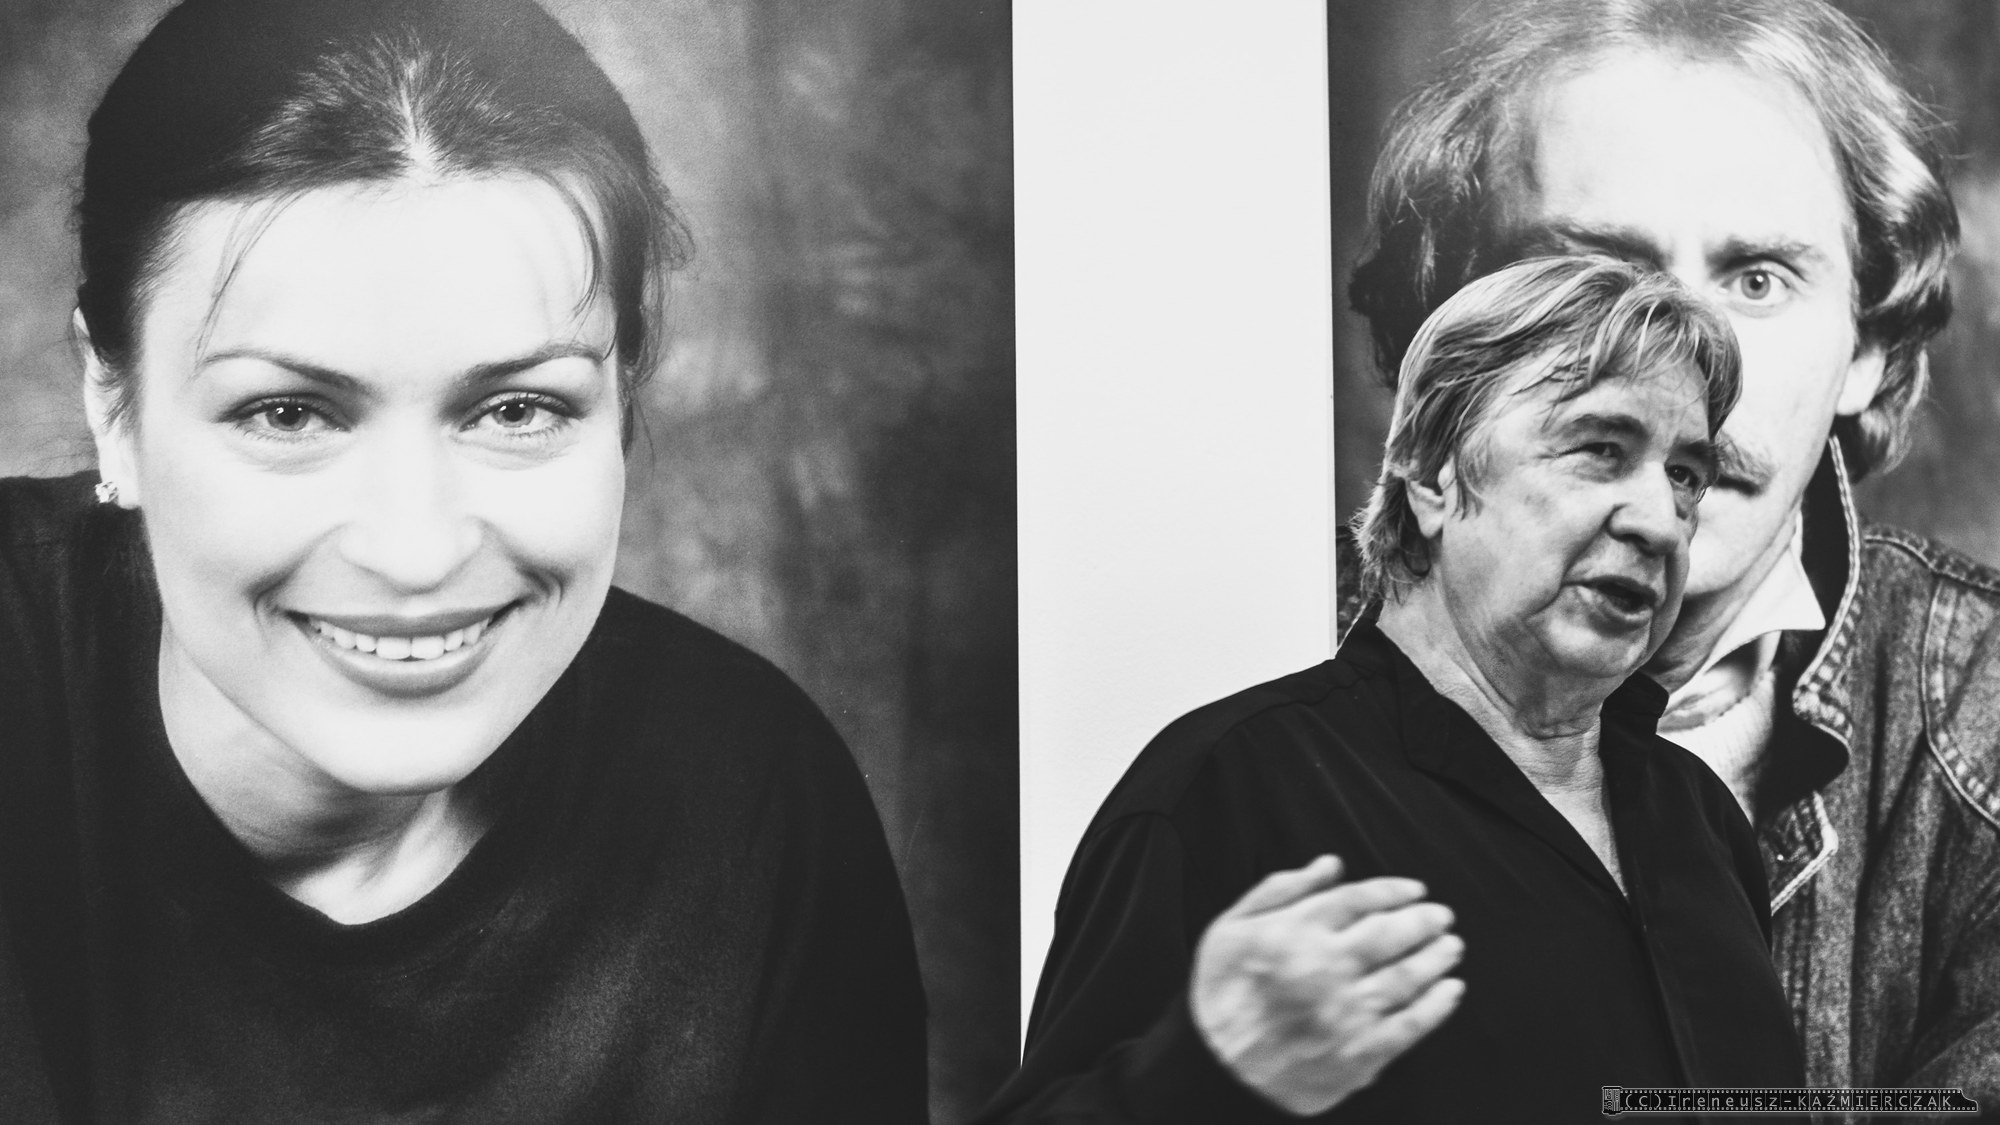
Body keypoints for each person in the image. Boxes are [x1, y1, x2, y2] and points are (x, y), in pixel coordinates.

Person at [0, 0, 927, 1120]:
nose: (416, 550)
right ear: (114, 409)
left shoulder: (755, 810)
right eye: (289, 413)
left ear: (622, 400)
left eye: (518, 409)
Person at [1344, 0, 1998, 1102]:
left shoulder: (1986, 721)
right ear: (1454, 336)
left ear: (1869, 352)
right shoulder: (1269, 677)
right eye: (1597, 279)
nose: (1692, 375)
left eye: (1757, 279)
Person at [978, 255, 1800, 1123]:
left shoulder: (1702, 817)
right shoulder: (1231, 787)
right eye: (1602, 450)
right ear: (1432, 474)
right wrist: (1205, 1072)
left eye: (1686, 476)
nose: (1661, 521)